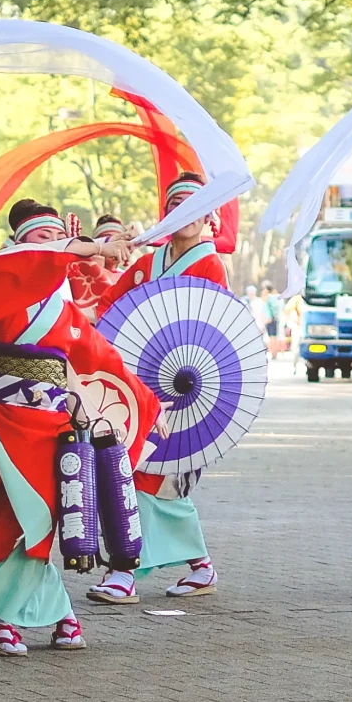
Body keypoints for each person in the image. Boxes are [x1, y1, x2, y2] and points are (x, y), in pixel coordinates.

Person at [0, 199, 148, 656]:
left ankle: (15, 619)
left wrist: (133, 407)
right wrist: (92, 246)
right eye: (41, 238)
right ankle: (52, 617)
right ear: (19, 246)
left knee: (36, 521)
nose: (53, 245)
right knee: (7, 519)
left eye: (57, 236)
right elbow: (32, 265)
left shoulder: (66, 310)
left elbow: (92, 364)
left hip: (49, 424)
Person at [86, 171, 226, 606]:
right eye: (174, 205)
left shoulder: (210, 264)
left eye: (192, 205)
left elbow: (212, 327)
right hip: (142, 387)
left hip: (187, 388)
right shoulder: (148, 262)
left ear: (207, 214)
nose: (182, 213)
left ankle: (124, 572)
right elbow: (110, 310)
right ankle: (200, 566)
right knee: (144, 477)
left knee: (151, 479)